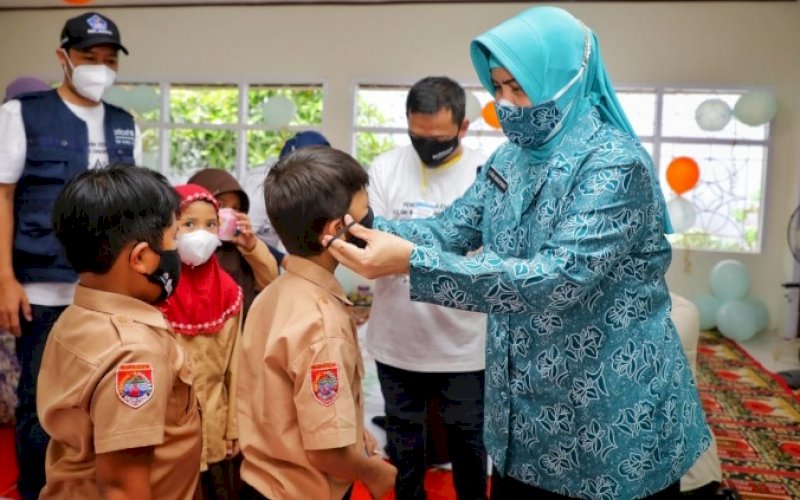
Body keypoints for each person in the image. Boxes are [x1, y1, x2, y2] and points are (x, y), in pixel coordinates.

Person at [325, 6, 711, 499]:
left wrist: (410, 262)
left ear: (566, 79)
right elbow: (451, 228)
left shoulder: (614, 166)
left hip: (610, 421)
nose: (506, 103)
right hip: (521, 419)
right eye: (499, 87)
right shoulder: (510, 158)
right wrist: (364, 227)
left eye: (519, 87)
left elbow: (556, 280)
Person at [0, 12, 140, 498]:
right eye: (88, 57)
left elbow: (131, 206)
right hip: (40, 283)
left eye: (108, 60)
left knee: (101, 398)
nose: (99, 68)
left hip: (107, 290)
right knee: (39, 400)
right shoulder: (23, 114)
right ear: (63, 57)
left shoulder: (124, 124)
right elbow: (4, 196)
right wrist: (5, 279)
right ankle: (37, 488)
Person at [237, 146, 397, 500]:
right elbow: (327, 453)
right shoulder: (321, 323)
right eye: (364, 212)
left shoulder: (274, 293)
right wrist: (375, 473)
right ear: (336, 230)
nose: (371, 220)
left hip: (260, 482)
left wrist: (355, 433)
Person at [38, 165, 200, 499]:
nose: (178, 251)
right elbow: (122, 487)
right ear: (142, 258)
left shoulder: (78, 315)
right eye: (174, 239)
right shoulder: (135, 354)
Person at [366, 76, 488, 499]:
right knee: (403, 442)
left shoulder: (484, 173)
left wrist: (404, 248)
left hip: (464, 344)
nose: (428, 145)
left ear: (464, 127)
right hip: (397, 339)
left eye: (438, 137)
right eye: (418, 136)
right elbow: (371, 246)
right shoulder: (384, 168)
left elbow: (488, 256)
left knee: (470, 445)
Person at [159, 184, 243, 500]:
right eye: (189, 224)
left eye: (210, 225)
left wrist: (233, 428)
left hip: (217, 431)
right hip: (169, 438)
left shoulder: (229, 293)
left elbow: (236, 368)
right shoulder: (156, 295)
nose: (202, 235)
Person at [188, 168, 280, 318]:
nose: (230, 213)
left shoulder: (240, 252)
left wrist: (252, 246)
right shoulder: (183, 251)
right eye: (221, 205)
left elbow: (270, 282)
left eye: (236, 208)